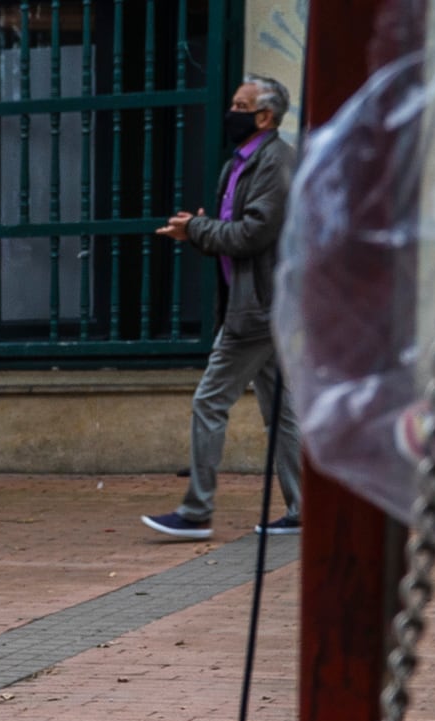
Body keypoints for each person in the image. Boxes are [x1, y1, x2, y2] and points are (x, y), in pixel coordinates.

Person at [144, 75, 301, 543]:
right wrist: (197, 231)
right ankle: (303, 508)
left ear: (265, 116)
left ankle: (196, 511)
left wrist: (198, 230)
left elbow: (253, 234)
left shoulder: (276, 163)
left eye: (240, 104)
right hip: (252, 303)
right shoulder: (240, 162)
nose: (230, 111)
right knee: (281, 412)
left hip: (256, 310)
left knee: (210, 401)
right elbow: (230, 236)